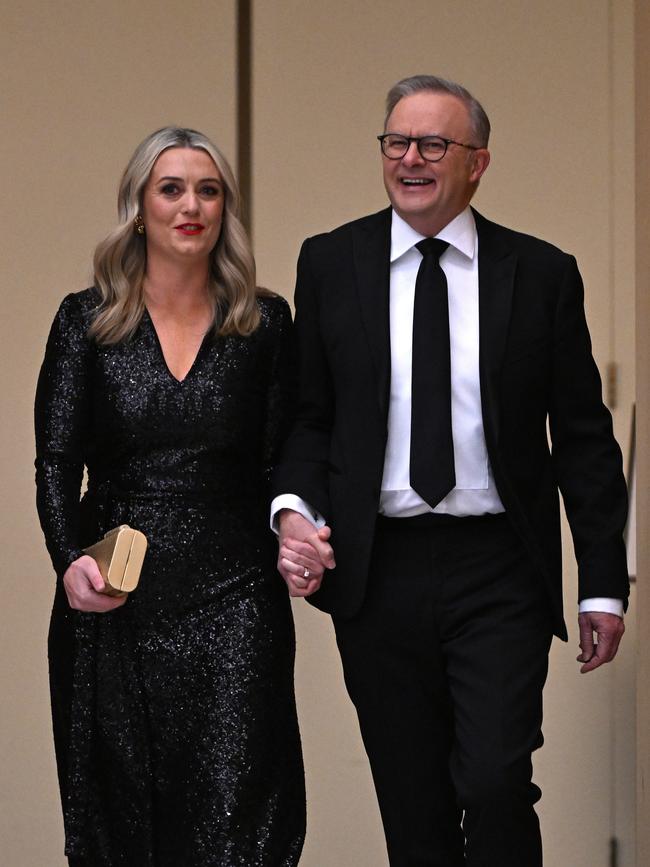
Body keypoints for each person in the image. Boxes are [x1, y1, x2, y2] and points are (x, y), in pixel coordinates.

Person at [272, 75, 629, 866]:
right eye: (396, 142)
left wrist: (603, 580)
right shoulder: (331, 263)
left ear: (478, 162)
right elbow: (309, 418)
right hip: (380, 572)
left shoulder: (539, 273)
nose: (411, 159)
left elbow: (581, 437)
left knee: (496, 778)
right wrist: (295, 508)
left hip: (498, 566)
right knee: (414, 805)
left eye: (434, 143)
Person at [35, 127, 305, 866]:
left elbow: (287, 458)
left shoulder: (265, 323)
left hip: (236, 597)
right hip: (119, 601)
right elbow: (57, 463)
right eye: (172, 188)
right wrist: (68, 562)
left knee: (238, 816)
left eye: (208, 189)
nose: (192, 205)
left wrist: (300, 529)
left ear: (226, 210)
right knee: (124, 820)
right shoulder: (84, 323)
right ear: (139, 207)